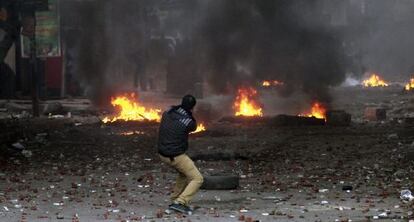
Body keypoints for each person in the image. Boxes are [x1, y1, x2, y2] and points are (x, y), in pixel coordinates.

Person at [158, 95, 203, 215]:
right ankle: (180, 202)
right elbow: (193, 126)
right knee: (197, 179)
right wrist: (190, 113)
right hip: (175, 155)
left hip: (162, 153)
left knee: (183, 173)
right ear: (192, 108)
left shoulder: (167, 112)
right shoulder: (189, 122)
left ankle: (175, 200)